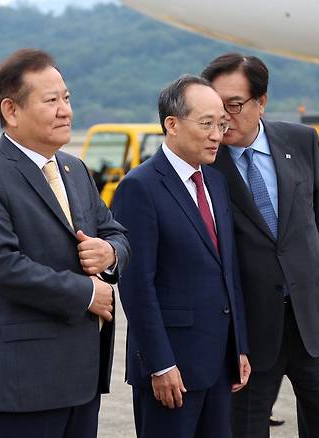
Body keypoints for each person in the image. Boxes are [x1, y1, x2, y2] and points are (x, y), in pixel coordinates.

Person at [0, 48, 130, 438]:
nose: (66, 110)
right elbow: (1, 267)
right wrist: (87, 293)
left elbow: (115, 231)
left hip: (82, 376)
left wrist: (110, 254)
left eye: (66, 98)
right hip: (23, 380)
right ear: (11, 111)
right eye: (51, 101)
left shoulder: (74, 168)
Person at [202, 53, 319, 438]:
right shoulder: (205, 165)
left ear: (261, 102)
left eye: (234, 105)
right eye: (215, 108)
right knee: (245, 428)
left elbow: (308, 221)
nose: (223, 119)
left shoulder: (301, 140)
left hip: (312, 322)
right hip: (248, 331)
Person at [112, 75, 250, 438]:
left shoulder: (216, 182)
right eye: (206, 124)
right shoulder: (139, 187)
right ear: (171, 125)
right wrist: (159, 364)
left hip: (219, 363)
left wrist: (240, 347)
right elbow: (137, 286)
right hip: (171, 370)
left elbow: (228, 272)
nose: (217, 134)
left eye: (221, 124)